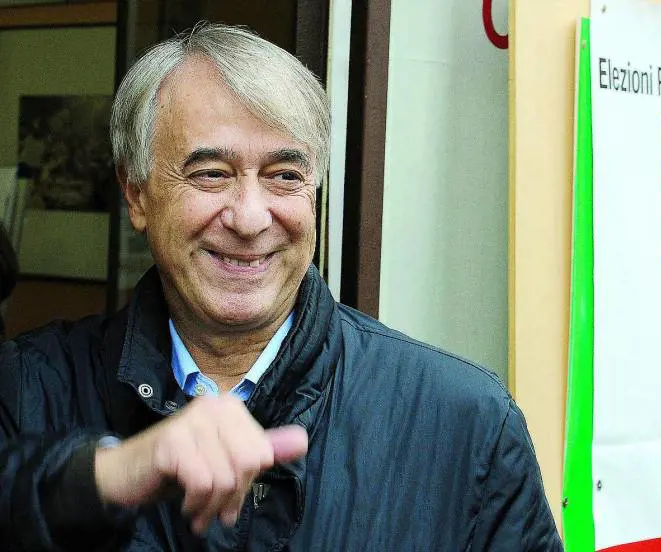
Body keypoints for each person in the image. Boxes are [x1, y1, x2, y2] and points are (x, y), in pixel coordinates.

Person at [0, 24, 563, 551]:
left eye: (284, 176)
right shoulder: (24, 388)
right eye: (211, 174)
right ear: (137, 194)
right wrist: (97, 480)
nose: (250, 219)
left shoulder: (468, 426)